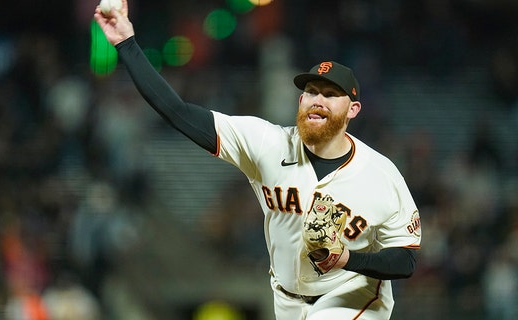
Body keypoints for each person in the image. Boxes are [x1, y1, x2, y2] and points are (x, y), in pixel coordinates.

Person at [94, 1, 421, 319]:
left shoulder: (379, 174)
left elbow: (405, 260)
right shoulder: (268, 143)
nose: (317, 100)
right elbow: (178, 112)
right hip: (287, 300)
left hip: (355, 298)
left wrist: (348, 259)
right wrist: (127, 44)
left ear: (353, 109)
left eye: (331, 94)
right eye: (311, 91)